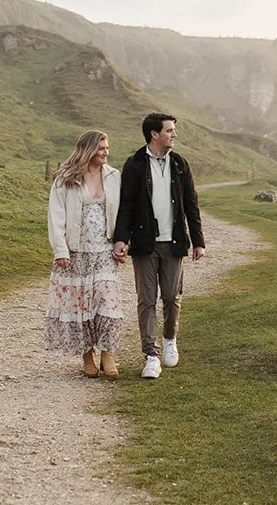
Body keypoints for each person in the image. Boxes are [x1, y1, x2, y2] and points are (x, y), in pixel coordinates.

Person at [112, 113, 205, 379]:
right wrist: (121, 238)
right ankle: (151, 355)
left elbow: (191, 205)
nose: (174, 135)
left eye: (173, 130)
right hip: (144, 243)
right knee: (146, 300)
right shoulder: (135, 164)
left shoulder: (179, 164)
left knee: (171, 297)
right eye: (169, 130)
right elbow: (126, 205)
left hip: (174, 242)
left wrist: (198, 241)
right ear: (154, 134)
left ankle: (169, 340)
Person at [44, 130, 123, 377]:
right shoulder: (65, 179)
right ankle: (88, 355)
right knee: (81, 306)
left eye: (107, 147)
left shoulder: (114, 176)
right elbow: (55, 217)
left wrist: (122, 242)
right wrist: (60, 250)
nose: (106, 152)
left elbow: (121, 212)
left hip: (104, 251)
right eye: (100, 148)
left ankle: (108, 354)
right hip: (76, 252)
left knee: (106, 301)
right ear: (87, 150)